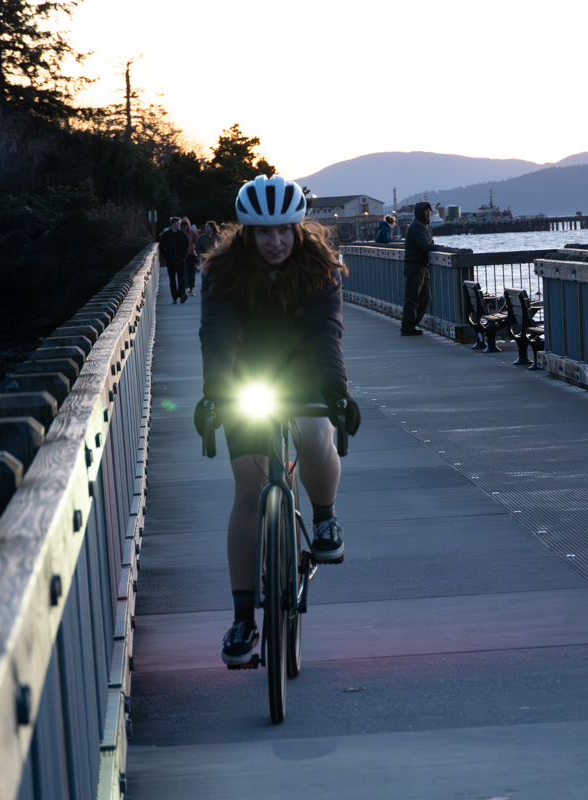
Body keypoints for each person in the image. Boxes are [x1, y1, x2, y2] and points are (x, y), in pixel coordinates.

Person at [196, 175, 362, 666]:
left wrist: (337, 392)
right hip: (247, 379)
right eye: (263, 233)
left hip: (306, 372)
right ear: (246, 234)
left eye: (283, 231)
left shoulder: (319, 267)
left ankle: (326, 517)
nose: (274, 242)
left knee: (315, 437)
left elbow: (324, 331)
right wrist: (213, 397)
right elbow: (217, 334)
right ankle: (244, 618)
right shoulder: (222, 271)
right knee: (249, 490)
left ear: (298, 230)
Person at [399, 201, 437, 336]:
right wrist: (440, 248)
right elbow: (425, 246)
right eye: (425, 210)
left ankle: (412, 324)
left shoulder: (426, 227)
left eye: (430, 210)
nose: (428, 212)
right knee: (412, 298)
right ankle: (407, 327)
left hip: (423, 266)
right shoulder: (416, 227)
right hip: (414, 266)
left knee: (426, 297)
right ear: (419, 212)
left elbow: (429, 244)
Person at [159, 216, 189, 303]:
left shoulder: (182, 234)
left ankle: (181, 294)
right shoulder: (166, 235)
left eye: (179, 223)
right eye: (177, 223)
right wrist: (166, 256)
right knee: (172, 279)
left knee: (181, 278)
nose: (179, 224)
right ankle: (174, 297)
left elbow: (186, 246)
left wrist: (184, 255)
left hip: (180, 260)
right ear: (172, 224)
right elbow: (161, 246)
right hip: (170, 260)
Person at [181, 217, 199, 296]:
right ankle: (184, 288)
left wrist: (197, 253)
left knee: (191, 272)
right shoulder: (179, 233)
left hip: (191, 254)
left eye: (186, 225)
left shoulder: (192, 232)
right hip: (181, 256)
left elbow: (197, 243)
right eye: (183, 225)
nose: (184, 227)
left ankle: (191, 288)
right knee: (183, 273)